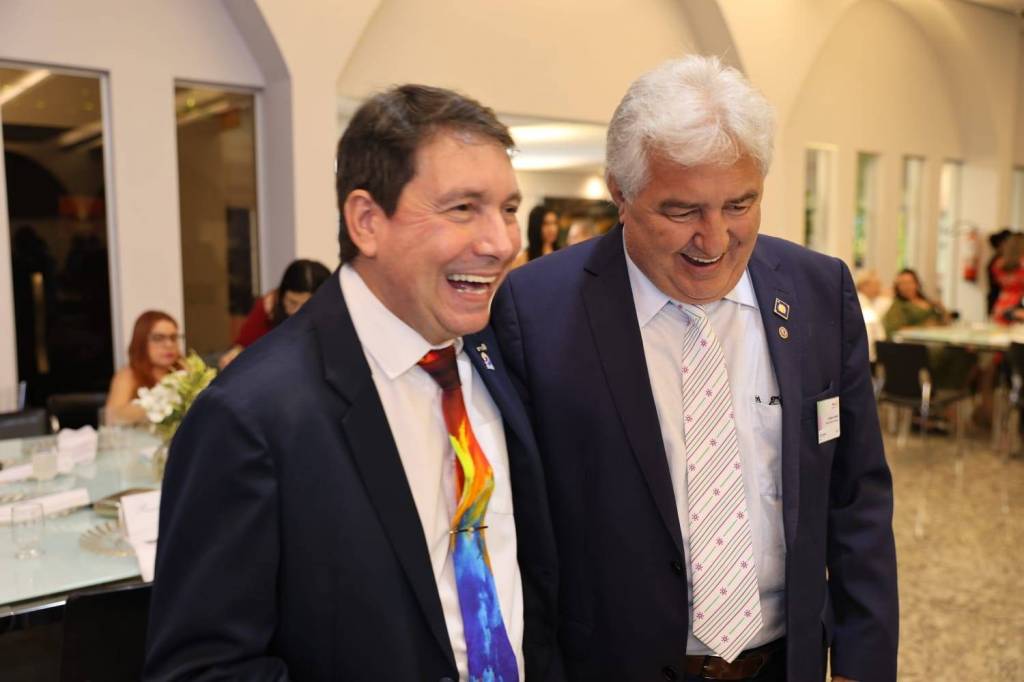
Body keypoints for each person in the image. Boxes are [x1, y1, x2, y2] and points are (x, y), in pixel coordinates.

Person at [490, 56, 897, 682]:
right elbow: (522, 536)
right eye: (681, 212)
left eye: (740, 204)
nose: (715, 239)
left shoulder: (819, 291)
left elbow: (856, 498)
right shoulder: (535, 309)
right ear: (621, 194)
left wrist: (860, 665)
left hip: (783, 663)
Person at [145, 84, 563, 681]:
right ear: (367, 222)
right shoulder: (250, 415)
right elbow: (202, 669)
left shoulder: (501, 354)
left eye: (509, 209)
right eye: (463, 208)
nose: (501, 243)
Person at [218, 258, 331, 367]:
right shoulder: (270, 306)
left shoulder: (334, 314)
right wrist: (234, 355)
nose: (298, 311)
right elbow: (244, 345)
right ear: (282, 296)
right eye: (292, 302)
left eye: (307, 305)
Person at [104, 311, 182, 424]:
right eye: (158, 338)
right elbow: (112, 418)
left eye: (173, 338)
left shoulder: (186, 370)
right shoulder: (128, 375)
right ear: (141, 341)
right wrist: (159, 403)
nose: (169, 345)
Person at [882, 268, 949, 337]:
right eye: (902, 283)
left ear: (917, 283)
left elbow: (946, 322)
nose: (906, 286)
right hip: (917, 340)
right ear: (897, 287)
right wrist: (924, 328)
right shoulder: (898, 306)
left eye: (909, 282)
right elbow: (895, 330)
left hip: (939, 336)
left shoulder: (928, 301)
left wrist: (942, 308)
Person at [854, 269, 888, 363]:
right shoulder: (861, 303)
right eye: (876, 284)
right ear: (864, 286)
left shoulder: (870, 301)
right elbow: (869, 333)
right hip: (867, 356)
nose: (879, 288)